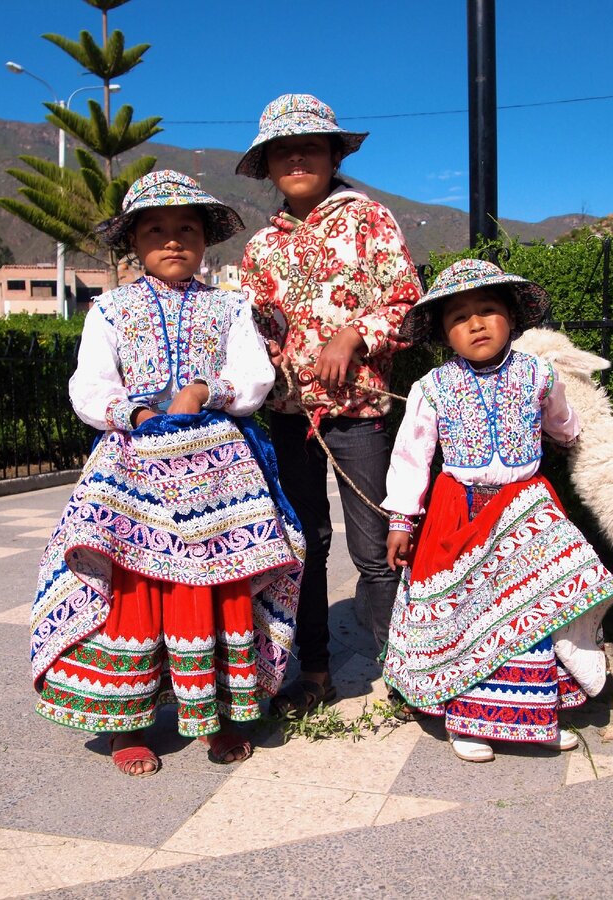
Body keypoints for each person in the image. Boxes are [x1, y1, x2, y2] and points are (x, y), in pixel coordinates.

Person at [30, 170, 304, 777]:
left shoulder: (231, 307)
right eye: (156, 230)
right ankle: (126, 722)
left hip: (219, 467)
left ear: (206, 239)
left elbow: (254, 375)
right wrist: (136, 411)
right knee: (135, 581)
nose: (174, 240)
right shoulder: (110, 309)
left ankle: (223, 714)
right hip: (133, 460)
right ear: (134, 240)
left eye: (187, 229)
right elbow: (90, 383)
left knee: (218, 581)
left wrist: (208, 389)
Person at [380, 259, 613, 763]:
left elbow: (563, 422)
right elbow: (411, 455)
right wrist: (403, 519)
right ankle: (471, 720)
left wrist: (574, 437)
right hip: (460, 512)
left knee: (531, 612)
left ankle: (537, 715)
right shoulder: (432, 387)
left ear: (511, 318)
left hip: (524, 508)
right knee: (470, 617)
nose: (475, 323)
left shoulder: (539, 373)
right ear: (444, 333)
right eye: (459, 317)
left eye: (488, 310)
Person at [237, 93, 421, 715]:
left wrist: (354, 334)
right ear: (266, 165)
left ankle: (402, 673)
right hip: (291, 420)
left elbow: (406, 304)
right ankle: (312, 673)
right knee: (305, 545)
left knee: (375, 551)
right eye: (282, 151)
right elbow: (252, 333)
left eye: (309, 146)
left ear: (332, 154)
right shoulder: (261, 248)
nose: (296, 157)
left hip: (360, 417)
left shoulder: (371, 220)